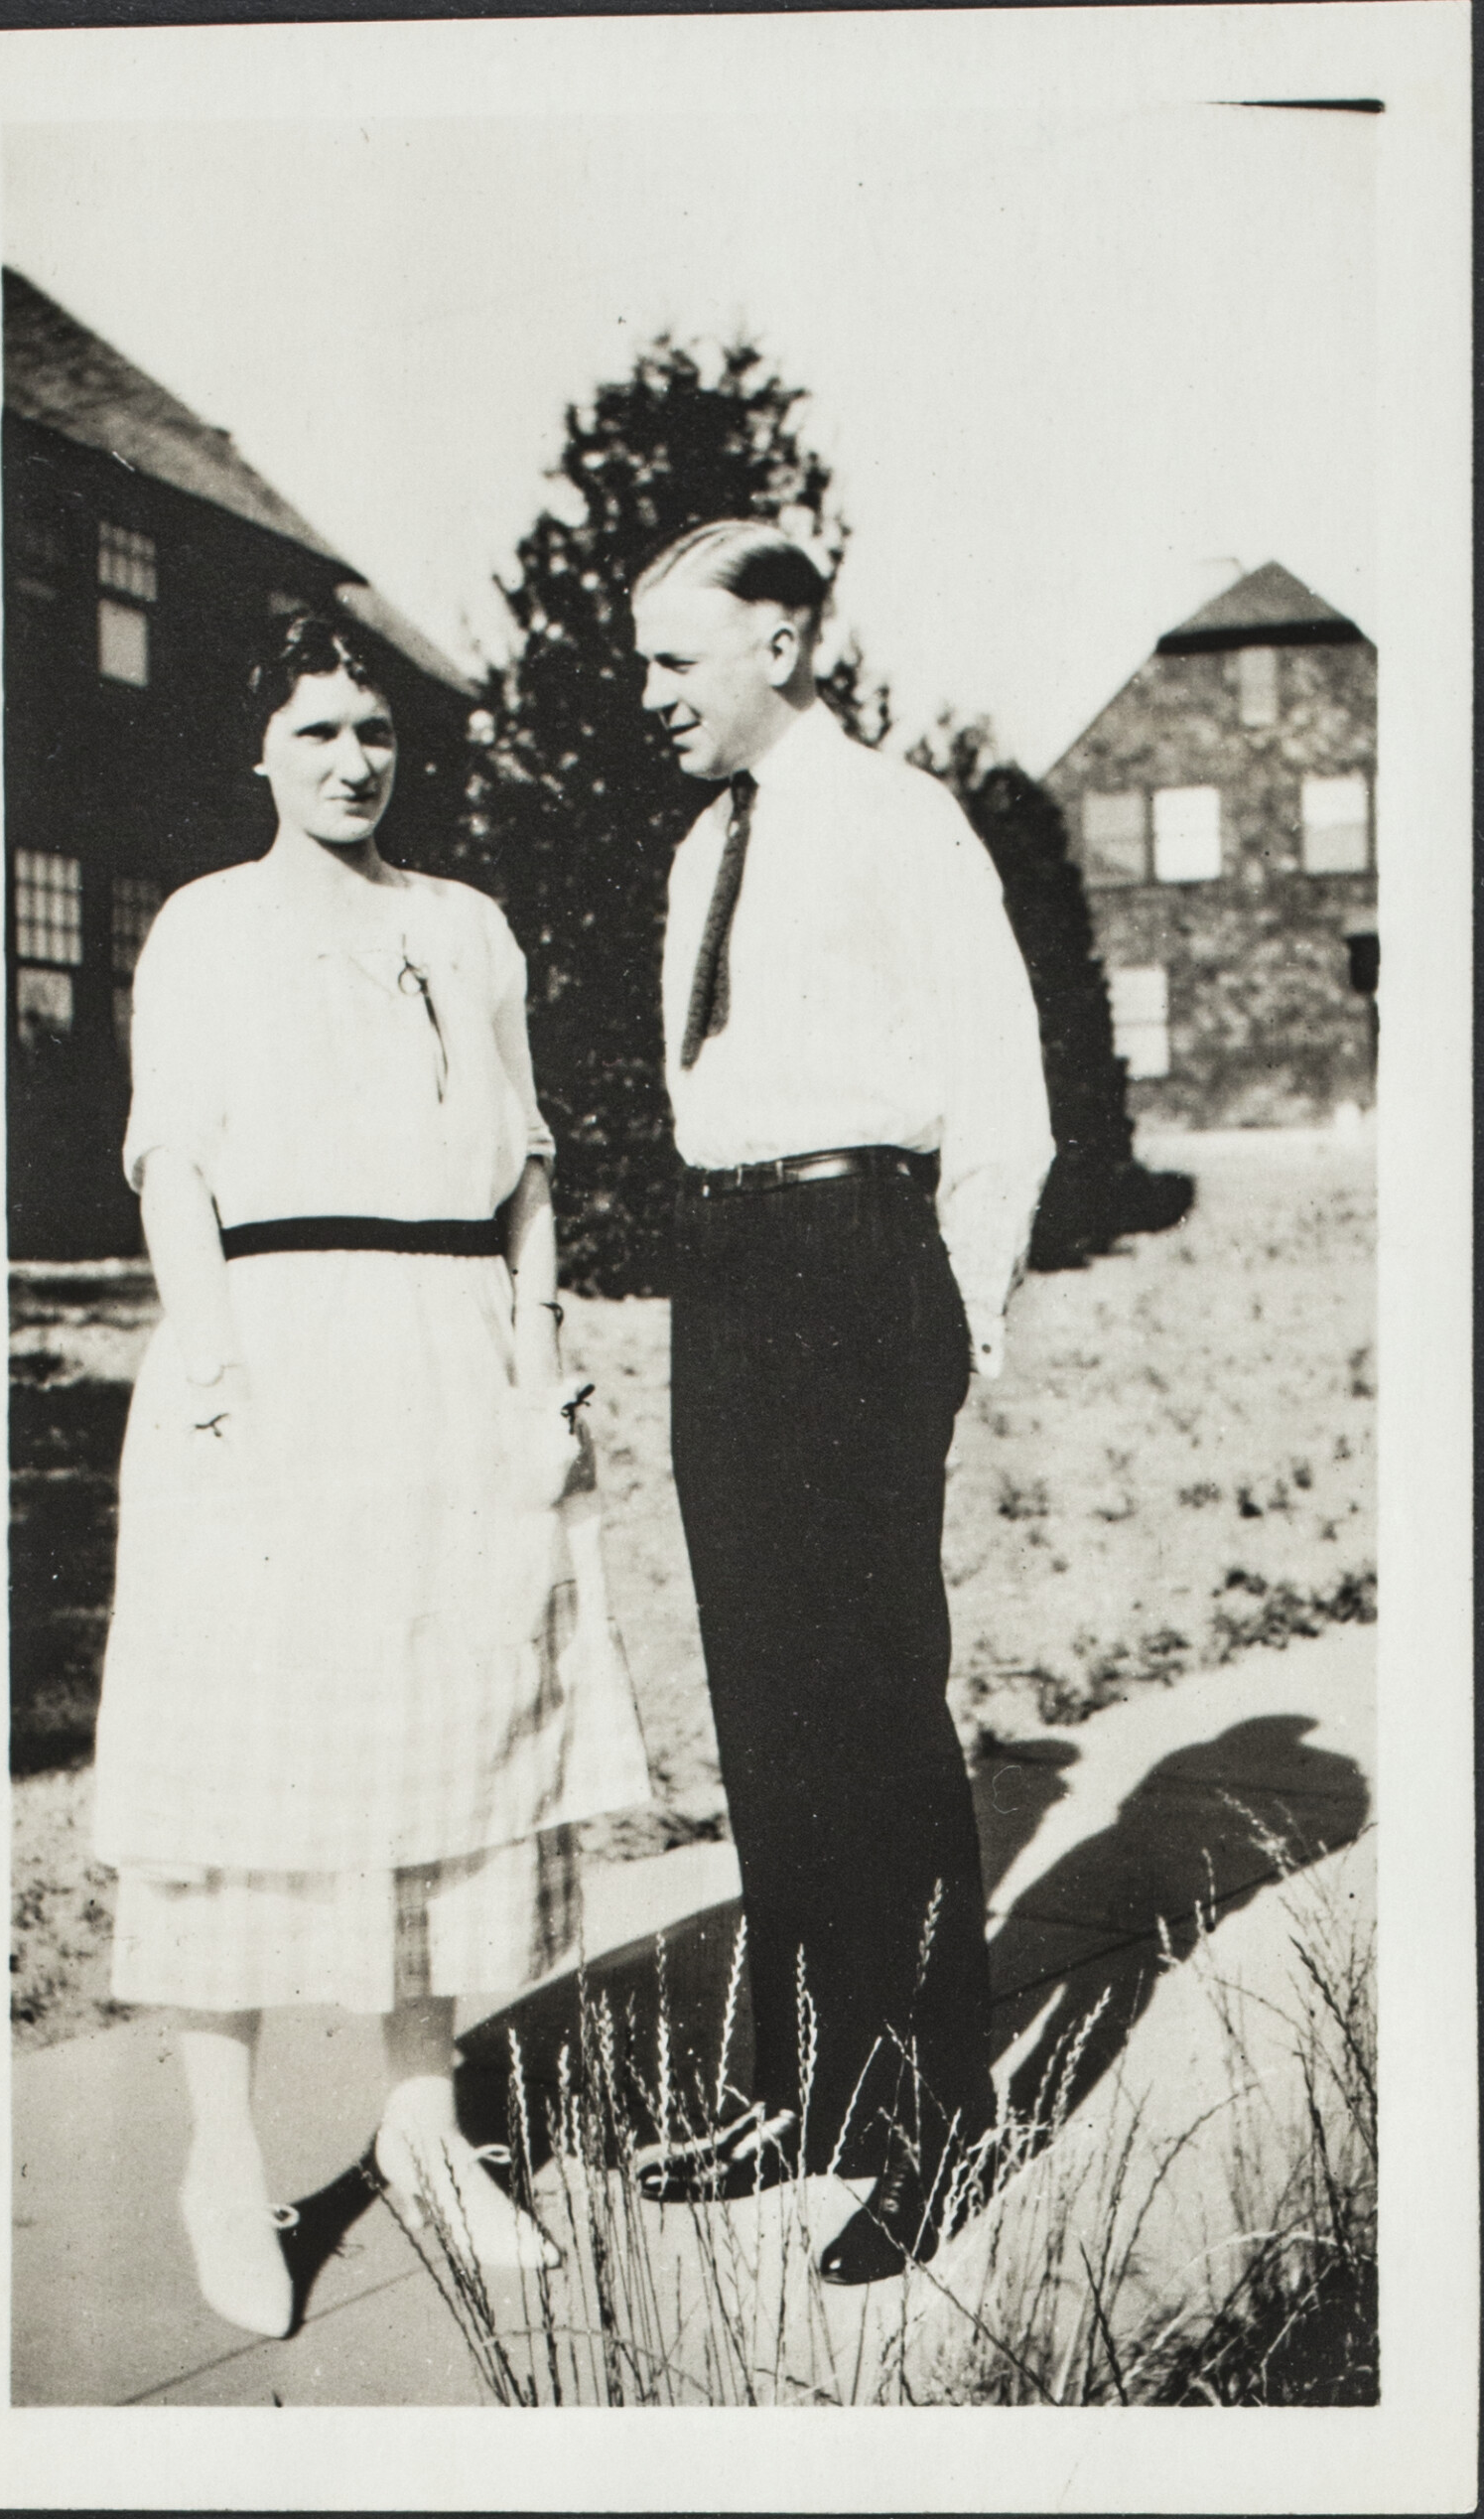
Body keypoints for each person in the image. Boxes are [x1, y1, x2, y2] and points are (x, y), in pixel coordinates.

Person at [91, 613, 650, 2338]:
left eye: (378, 732)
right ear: (259, 750)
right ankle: (219, 2154)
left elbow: (526, 1161)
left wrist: (535, 1344)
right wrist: (212, 1359)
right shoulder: (208, 924)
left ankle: (424, 2116)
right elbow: (174, 1154)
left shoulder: (463, 926)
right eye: (320, 730)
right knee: (249, 1748)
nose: (353, 760)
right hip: (270, 1343)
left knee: (448, 1728)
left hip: (450, 1346)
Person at [629, 522, 1055, 2284]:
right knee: (761, 1684)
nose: (650, 696)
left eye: (677, 659)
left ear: (783, 642)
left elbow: (1002, 1089)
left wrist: (950, 1316)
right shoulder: (697, 848)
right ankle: (810, 2084)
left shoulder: (900, 819)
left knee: (872, 1693)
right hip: (728, 1268)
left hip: (857, 1263)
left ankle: (947, 2113)